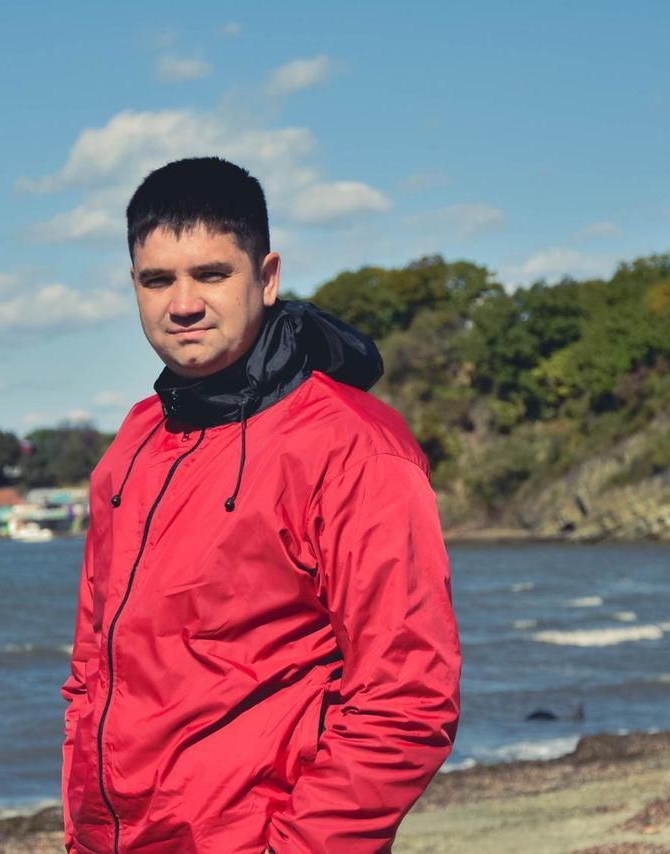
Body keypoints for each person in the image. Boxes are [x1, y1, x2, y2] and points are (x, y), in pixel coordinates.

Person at [60, 156, 460, 853]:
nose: (183, 303)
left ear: (267, 278)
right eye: (158, 280)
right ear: (134, 288)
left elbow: (406, 699)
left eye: (212, 274)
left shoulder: (354, 446)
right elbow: (92, 673)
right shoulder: (129, 447)